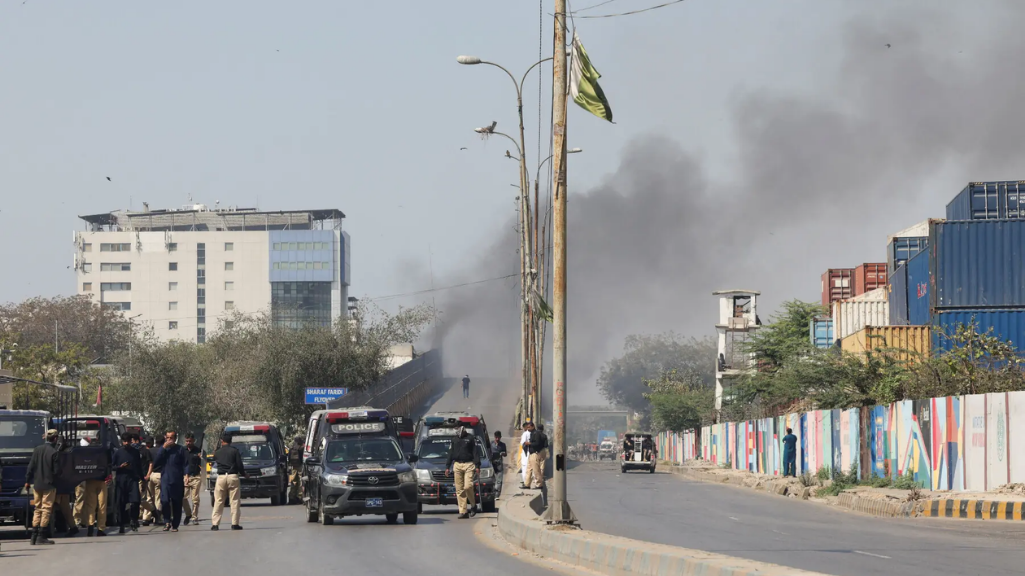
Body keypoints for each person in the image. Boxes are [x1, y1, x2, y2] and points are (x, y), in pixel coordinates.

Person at [25, 429, 62, 545]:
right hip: (49, 485)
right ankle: (41, 535)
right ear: (55, 439)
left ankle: (33, 536)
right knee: (46, 509)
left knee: (37, 508)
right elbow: (56, 472)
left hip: (37, 485)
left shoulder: (37, 450)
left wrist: (27, 481)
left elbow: (30, 467)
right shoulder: (54, 452)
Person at [153, 431, 189, 532]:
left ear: (175, 438)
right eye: (167, 437)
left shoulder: (180, 449)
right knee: (164, 501)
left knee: (177, 502)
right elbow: (156, 462)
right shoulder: (162, 449)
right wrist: (163, 448)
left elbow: (185, 464)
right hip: (165, 479)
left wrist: (186, 475)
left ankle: (175, 525)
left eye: (171, 437)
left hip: (177, 479)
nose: (169, 440)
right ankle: (167, 521)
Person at [210, 433, 246, 531]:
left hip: (221, 477)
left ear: (222, 441)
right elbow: (239, 465)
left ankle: (215, 524)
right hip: (232, 476)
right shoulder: (235, 451)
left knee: (219, 501)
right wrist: (244, 474)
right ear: (231, 441)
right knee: (234, 501)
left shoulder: (217, 452)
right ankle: (235, 524)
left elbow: (214, 461)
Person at [112, 432, 144, 534]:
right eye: (124, 441)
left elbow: (139, 466)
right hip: (121, 480)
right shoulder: (118, 453)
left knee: (135, 501)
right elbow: (112, 466)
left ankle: (133, 520)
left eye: (128, 441)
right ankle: (121, 524)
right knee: (120, 503)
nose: (126, 443)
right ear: (122, 441)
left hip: (133, 479)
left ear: (131, 441)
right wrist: (120, 467)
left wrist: (143, 479)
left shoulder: (135, 452)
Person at [445, 426, 480, 519]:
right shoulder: (454, 440)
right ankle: (463, 511)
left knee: (468, 486)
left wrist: (477, 465)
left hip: (469, 464)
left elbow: (475, 452)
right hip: (457, 465)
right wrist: (447, 467)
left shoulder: (470, 438)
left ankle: (473, 505)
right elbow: (450, 453)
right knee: (459, 489)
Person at [182, 432, 204, 525]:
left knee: (195, 498)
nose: (188, 443)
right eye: (187, 441)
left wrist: (201, 458)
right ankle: (188, 514)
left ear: (193, 441)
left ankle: (194, 517)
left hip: (195, 477)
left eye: (190, 441)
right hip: (185, 477)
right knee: (183, 497)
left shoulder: (197, 450)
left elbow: (202, 464)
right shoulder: (182, 450)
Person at [141, 436, 162, 526]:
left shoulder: (147, 451)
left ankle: (146, 517)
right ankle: (157, 518)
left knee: (149, 497)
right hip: (159, 475)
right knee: (158, 498)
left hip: (150, 475)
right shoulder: (162, 451)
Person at [136, 435, 156, 524]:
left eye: (149, 443)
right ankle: (144, 514)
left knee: (147, 498)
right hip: (142, 476)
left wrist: (148, 475)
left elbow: (151, 464)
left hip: (148, 476)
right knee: (142, 498)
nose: (148, 444)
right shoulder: (142, 450)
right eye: (147, 443)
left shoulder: (149, 451)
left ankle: (148, 516)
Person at [527, 424, 548, 489]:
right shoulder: (544, 435)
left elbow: (536, 444)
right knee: (541, 468)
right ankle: (528, 483)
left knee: (536, 469)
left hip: (535, 453)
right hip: (543, 452)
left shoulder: (536, 434)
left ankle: (538, 484)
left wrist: (529, 443)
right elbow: (546, 445)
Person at [491, 431, 507, 496]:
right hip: (492, 463)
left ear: (500, 437)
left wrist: (503, 453)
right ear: (494, 437)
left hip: (499, 463)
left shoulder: (503, 445)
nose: (497, 439)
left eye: (499, 438)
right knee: (492, 479)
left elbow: (505, 454)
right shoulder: (491, 444)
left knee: (499, 479)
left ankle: (497, 494)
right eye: (496, 437)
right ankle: (492, 492)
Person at [288, 435, 304, 504]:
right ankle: (299, 497)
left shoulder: (291, 448)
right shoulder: (301, 448)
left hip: (293, 467)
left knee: (293, 482)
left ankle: (292, 497)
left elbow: (288, 457)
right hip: (300, 466)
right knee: (300, 482)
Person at [519, 422, 533, 488]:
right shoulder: (533, 433)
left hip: (526, 453)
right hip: (532, 453)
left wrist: (527, 445)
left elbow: (523, 444)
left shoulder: (525, 434)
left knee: (525, 468)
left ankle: (526, 483)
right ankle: (528, 482)